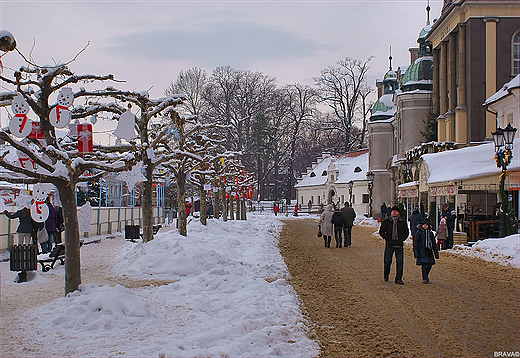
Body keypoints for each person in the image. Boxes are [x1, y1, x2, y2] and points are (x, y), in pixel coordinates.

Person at [379, 205, 409, 284]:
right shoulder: (387, 221)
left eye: (395, 211)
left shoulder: (402, 222)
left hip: (399, 245)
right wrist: (387, 237)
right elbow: (381, 231)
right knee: (387, 261)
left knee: (400, 262)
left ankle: (398, 278)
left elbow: (406, 232)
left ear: (398, 212)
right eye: (393, 211)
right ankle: (386, 274)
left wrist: (402, 238)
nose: (394, 212)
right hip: (389, 244)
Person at [413, 219, 439, 284]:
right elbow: (416, 243)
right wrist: (416, 252)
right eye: (424, 224)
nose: (425, 226)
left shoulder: (430, 233)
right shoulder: (419, 233)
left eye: (426, 225)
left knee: (430, 263)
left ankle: (426, 275)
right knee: (424, 264)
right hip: (421, 250)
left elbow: (433, 243)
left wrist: (436, 253)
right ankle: (425, 278)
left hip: (429, 250)